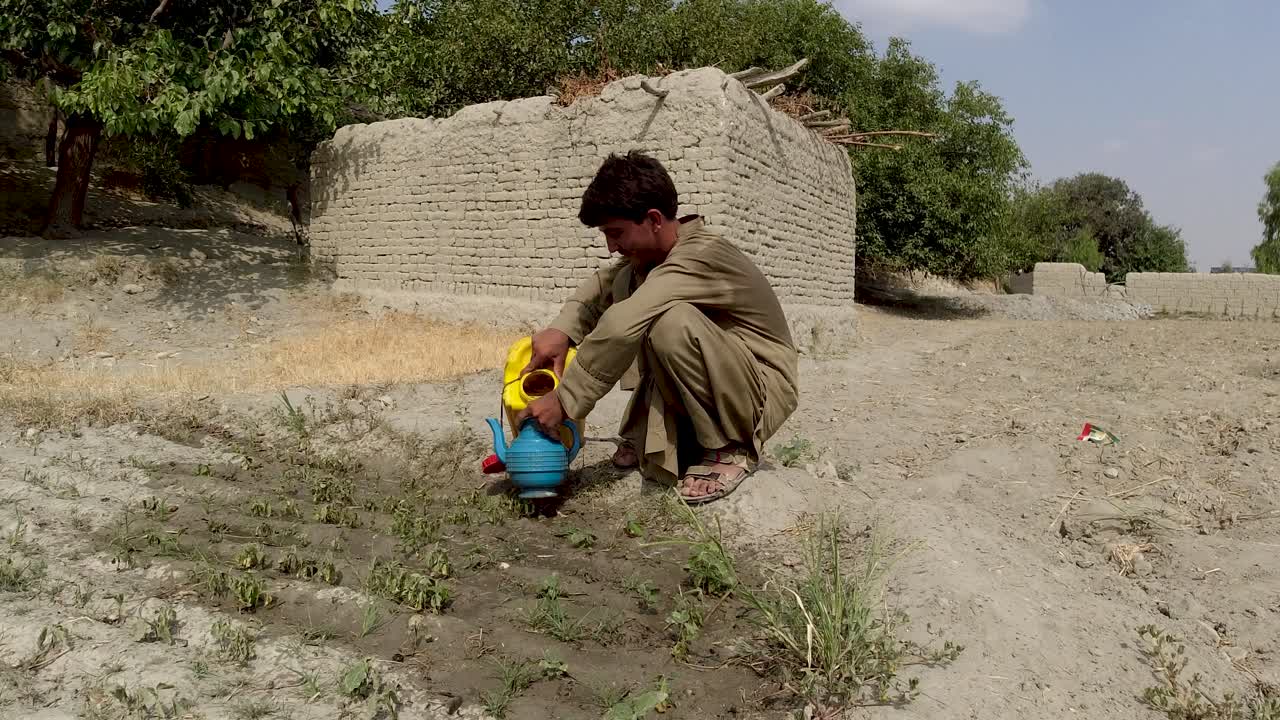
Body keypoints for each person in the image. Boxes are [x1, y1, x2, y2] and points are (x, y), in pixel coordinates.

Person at [514, 150, 798, 504]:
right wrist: (563, 330)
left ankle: (730, 449)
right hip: (729, 381)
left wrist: (566, 400)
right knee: (630, 292)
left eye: (616, 233)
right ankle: (654, 435)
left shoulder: (701, 255)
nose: (611, 246)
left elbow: (620, 324)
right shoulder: (650, 259)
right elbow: (602, 286)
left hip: (760, 390)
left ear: (653, 219)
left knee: (665, 321)